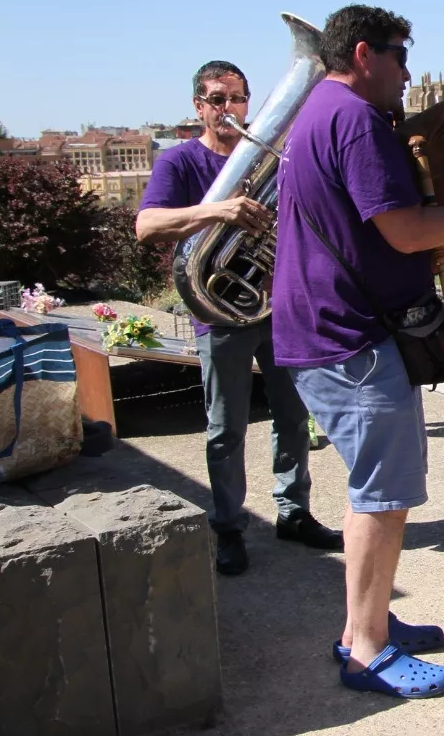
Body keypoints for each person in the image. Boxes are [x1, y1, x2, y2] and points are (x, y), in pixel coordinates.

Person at [272, 5, 444, 698]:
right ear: (363, 53)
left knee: (372, 493)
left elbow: (383, 227)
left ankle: (365, 623)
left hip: (325, 332)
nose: (408, 74)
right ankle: (370, 654)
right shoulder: (354, 119)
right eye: (398, 57)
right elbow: (407, 232)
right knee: (380, 499)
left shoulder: (319, 113)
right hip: (351, 338)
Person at [136, 60, 342, 576]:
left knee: (294, 418)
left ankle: (294, 512)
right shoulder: (179, 162)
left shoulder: (272, 159)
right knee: (225, 428)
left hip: (279, 307)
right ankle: (228, 525)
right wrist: (219, 212)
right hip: (221, 311)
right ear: (198, 106)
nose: (227, 109)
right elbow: (147, 226)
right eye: (216, 99)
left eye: (237, 98)